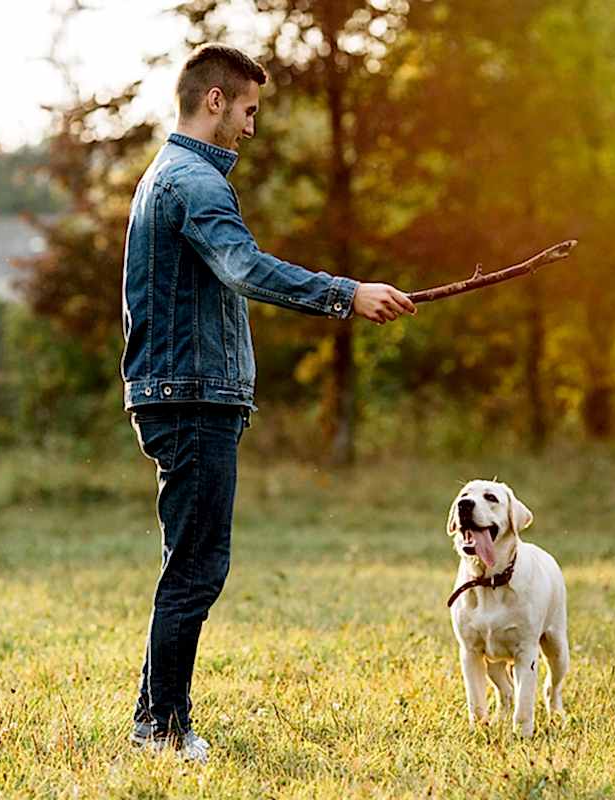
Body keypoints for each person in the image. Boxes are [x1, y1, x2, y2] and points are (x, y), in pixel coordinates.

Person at [121, 42, 416, 763]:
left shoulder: (172, 176)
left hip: (184, 395)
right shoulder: (192, 181)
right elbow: (244, 268)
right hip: (192, 398)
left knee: (186, 562)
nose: (252, 126)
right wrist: (347, 293)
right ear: (214, 100)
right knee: (197, 568)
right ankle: (162, 730)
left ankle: (152, 717)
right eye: (248, 110)